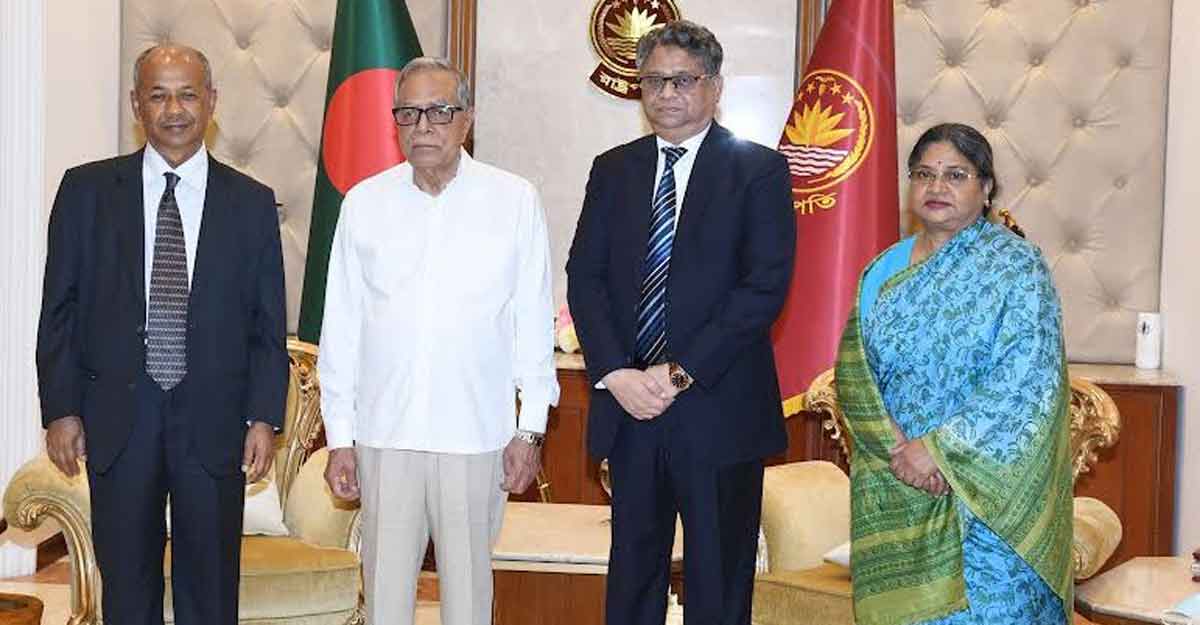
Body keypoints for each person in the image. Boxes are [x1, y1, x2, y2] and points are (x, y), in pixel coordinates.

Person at [37, 44, 287, 625]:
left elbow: (267, 324)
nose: (174, 109)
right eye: (158, 95)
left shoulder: (251, 203)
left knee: (211, 591)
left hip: (215, 423)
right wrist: (61, 410)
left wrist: (262, 417)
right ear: (136, 105)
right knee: (127, 591)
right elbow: (59, 311)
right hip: (119, 421)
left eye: (188, 94)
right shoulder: (86, 192)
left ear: (211, 101)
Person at [566, 20, 796, 625]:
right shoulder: (613, 169)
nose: (667, 93)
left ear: (714, 87)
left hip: (718, 408)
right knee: (632, 579)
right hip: (631, 409)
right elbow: (584, 277)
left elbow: (763, 288)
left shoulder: (759, 171)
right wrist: (616, 373)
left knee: (718, 586)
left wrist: (677, 373)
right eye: (654, 81)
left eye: (683, 80)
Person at [318, 56, 559, 625]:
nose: (422, 126)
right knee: (384, 600)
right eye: (408, 113)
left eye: (439, 111)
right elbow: (341, 329)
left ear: (467, 119)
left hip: (476, 436)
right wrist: (340, 437)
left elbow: (531, 323)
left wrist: (530, 429)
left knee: (469, 601)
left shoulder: (513, 200)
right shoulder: (363, 204)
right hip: (384, 435)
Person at [836, 123, 1073, 625]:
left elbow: (1026, 379)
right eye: (924, 174)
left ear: (986, 188)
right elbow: (855, 373)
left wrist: (939, 451)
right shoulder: (882, 269)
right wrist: (898, 448)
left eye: (955, 175)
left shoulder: (1017, 268)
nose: (936, 186)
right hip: (897, 479)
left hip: (985, 495)